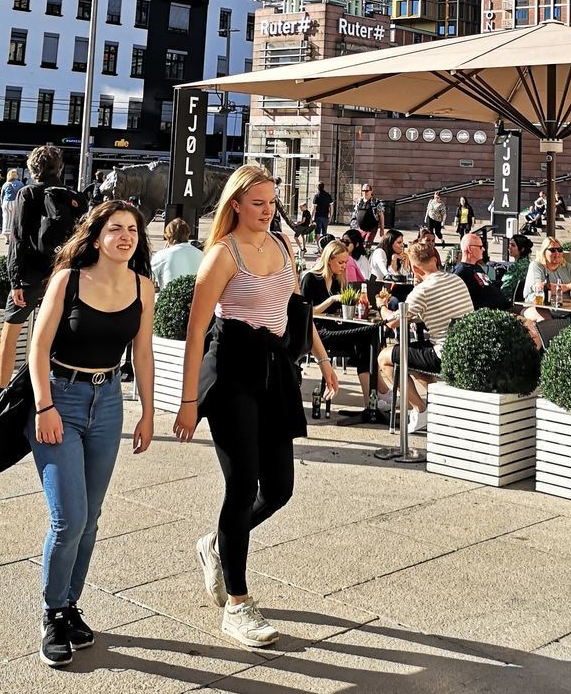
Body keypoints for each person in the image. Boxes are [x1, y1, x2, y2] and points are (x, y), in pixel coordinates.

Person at [173, 165, 338, 650]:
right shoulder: (222, 255)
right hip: (231, 372)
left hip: (274, 370)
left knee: (280, 489)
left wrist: (325, 363)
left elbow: (295, 313)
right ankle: (238, 606)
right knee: (242, 485)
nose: (267, 211)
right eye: (258, 203)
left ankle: (217, 544)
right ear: (236, 205)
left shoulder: (284, 246)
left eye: (272, 202)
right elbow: (195, 332)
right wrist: (187, 402)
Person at [27, 200, 155, 668]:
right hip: (60, 398)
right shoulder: (69, 280)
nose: (125, 237)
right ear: (96, 235)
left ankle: (69, 605)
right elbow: (37, 348)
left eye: (133, 231)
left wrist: (147, 411)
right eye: (116, 229)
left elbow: (142, 353)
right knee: (69, 519)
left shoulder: (143, 286)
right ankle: (52, 611)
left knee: (92, 517)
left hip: (108, 405)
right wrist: (45, 406)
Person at [0, 146, 88, 421]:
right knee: (54, 337)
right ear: (59, 168)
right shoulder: (74, 197)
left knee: (11, 334)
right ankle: (51, 396)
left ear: (31, 169)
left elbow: (18, 239)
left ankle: (1, 397)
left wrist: (15, 279)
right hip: (63, 275)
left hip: (31, 276)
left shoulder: (28, 193)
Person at [376, 238, 473, 433]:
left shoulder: (422, 291)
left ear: (414, 268)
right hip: (464, 348)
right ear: (435, 260)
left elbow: (392, 321)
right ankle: (439, 407)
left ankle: (420, 409)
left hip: (443, 353)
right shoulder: (456, 279)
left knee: (385, 357)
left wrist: (381, 306)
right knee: (413, 359)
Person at [300, 239, 379, 411]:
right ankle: (374, 395)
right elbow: (306, 314)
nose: (344, 266)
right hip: (316, 333)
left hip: (335, 328)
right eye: (341, 262)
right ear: (329, 260)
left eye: (346, 262)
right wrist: (331, 300)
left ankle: (372, 397)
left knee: (368, 336)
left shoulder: (337, 280)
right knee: (365, 336)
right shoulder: (310, 278)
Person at [453, 231, 509, 310]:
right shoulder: (461, 272)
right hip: (495, 313)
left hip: (505, 306)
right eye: (480, 247)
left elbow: (487, 285)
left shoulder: (477, 267)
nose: (483, 249)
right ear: (469, 249)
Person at [524, 237, 571, 304]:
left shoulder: (566, 266)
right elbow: (540, 287)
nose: (557, 253)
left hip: (566, 307)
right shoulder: (536, 265)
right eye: (552, 250)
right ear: (544, 252)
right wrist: (568, 286)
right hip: (541, 307)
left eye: (559, 250)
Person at [151, 218, 203, 289]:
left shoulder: (162, 255)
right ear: (188, 234)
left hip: (170, 298)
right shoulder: (201, 254)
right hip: (196, 298)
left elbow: (148, 278)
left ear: (168, 236)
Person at [500, 232, 533, 302]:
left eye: (513, 245)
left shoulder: (516, 267)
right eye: (509, 244)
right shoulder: (529, 264)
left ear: (522, 249)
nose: (509, 247)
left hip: (510, 301)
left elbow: (505, 288)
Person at [1, 168, 24, 242]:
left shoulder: (5, 184)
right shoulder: (20, 184)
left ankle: (6, 238)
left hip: (6, 203)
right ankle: (12, 236)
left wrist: (2, 203)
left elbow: (2, 195)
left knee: (6, 219)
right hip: (15, 202)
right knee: (14, 220)